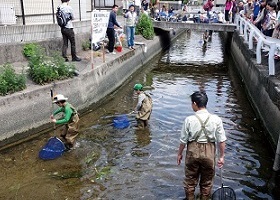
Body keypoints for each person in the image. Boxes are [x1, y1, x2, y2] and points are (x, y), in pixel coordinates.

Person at [177, 91, 227, 200]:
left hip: (192, 151)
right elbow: (221, 140)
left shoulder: (189, 120)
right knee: (207, 182)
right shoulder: (216, 119)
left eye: (191, 103)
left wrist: (179, 154)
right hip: (209, 152)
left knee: (190, 180)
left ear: (195, 103)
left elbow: (183, 140)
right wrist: (222, 156)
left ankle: (190, 198)